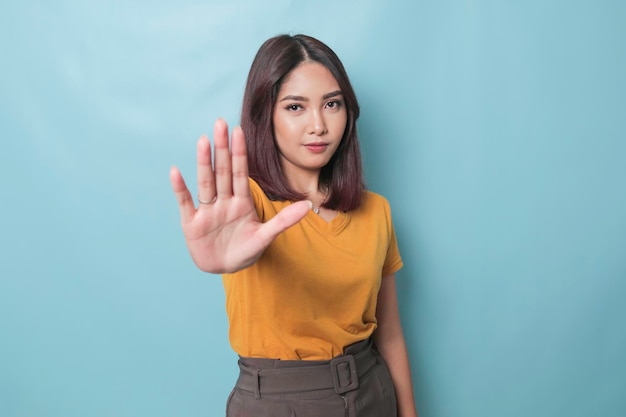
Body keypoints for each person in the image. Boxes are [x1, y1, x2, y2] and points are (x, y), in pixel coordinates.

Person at [169, 34, 418, 417]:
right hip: (278, 402)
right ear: (265, 113)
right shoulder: (245, 204)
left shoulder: (376, 212)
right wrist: (218, 254)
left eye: (332, 104)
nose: (318, 125)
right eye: (295, 107)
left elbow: (391, 335)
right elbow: (229, 232)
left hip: (372, 391)